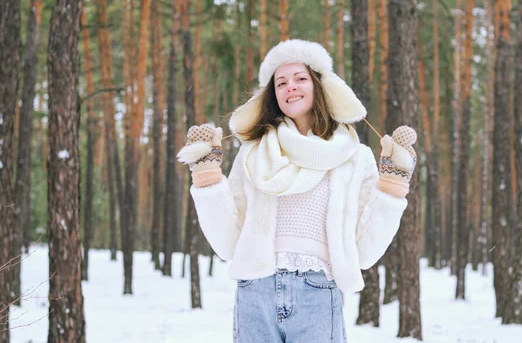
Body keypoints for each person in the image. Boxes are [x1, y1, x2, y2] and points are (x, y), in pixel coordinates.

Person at [178, 39, 416, 342]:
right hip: (255, 293)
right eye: (281, 82)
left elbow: (365, 251)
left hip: (316, 295)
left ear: (320, 86)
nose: (291, 86)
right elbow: (228, 243)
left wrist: (392, 189)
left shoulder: (355, 157)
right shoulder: (253, 155)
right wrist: (207, 178)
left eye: (300, 78)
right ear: (272, 96)